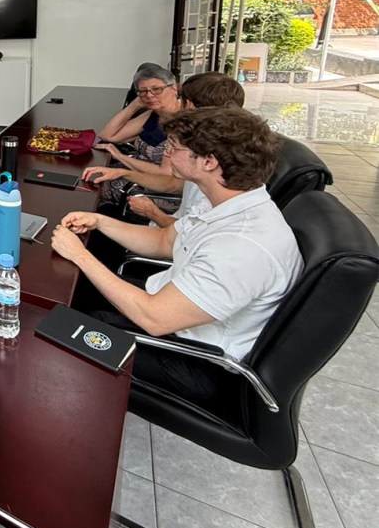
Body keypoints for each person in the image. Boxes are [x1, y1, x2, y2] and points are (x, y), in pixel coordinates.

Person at [52, 107, 303, 403]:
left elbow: (155, 319)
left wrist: (80, 255)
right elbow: (163, 241)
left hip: (196, 360)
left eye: (174, 147)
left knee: (57, 331)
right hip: (177, 311)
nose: (167, 153)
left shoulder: (242, 245)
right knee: (72, 292)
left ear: (208, 161)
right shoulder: (225, 200)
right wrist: (100, 222)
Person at [83, 72, 246, 227]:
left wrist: (152, 212)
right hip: (168, 227)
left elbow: (186, 234)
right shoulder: (225, 149)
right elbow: (174, 184)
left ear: (188, 104)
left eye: (174, 147)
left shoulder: (214, 169)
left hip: (168, 232)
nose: (168, 152)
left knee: (91, 199)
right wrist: (123, 173)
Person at [93, 64, 183, 210]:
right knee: (90, 174)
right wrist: (135, 105)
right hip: (135, 173)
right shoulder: (154, 114)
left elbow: (165, 173)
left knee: (92, 185)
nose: (149, 95)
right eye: (143, 91)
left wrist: (120, 156)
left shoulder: (182, 122)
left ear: (174, 88)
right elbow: (108, 135)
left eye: (156, 89)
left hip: (157, 187)